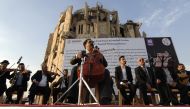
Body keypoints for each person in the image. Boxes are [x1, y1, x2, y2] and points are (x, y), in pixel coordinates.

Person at [69, 39, 112, 104]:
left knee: (106, 71)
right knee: (74, 69)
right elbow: (71, 62)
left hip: (96, 75)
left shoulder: (97, 53)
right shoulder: (82, 53)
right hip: (83, 74)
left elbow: (105, 64)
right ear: (85, 45)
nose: (92, 43)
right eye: (89, 42)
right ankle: (71, 97)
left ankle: (104, 98)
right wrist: (76, 56)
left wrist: (101, 55)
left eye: (92, 42)